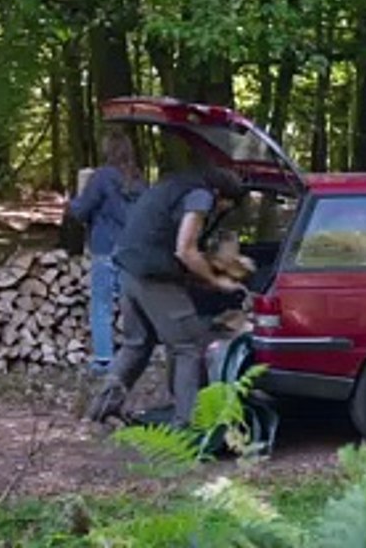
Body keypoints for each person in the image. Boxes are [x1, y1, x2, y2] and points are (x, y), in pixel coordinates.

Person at [83, 163, 248, 429]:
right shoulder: (201, 196)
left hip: (128, 268)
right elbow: (185, 250)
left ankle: (100, 411)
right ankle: (188, 424)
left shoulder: (175, 182)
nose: (221, 211)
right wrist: (216, 280)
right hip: (154, 277)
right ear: (221, 193)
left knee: (136, 344)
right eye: (225, 205)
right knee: (188, 346)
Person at [67, 129, 145, 375]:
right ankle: (137, 354)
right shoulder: (138, 180)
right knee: (131, 304)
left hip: (105, 248)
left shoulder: (100, 177)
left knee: (101, 305)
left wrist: (70, 202)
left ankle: (104, 358)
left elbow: (81, 210)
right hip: (132, 250)